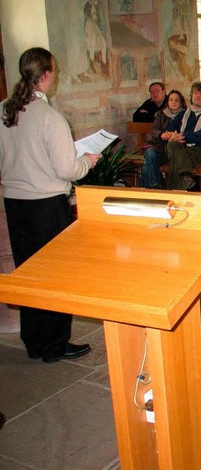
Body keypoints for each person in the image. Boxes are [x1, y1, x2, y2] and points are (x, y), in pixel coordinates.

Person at [0, 47, 101, 362]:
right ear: (46, 76)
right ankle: (55, 345)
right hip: (46, 205)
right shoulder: (50, 117)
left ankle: (34, 342)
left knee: (28, 272)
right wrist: (88, 160)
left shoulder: (3, 110)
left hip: (14, 204)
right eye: (53, 71)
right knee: (57, 276)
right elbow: (66, 170)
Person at [164, 82, 201, 190]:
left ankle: (175, 191)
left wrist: (183, 136)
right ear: (191, 96)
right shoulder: (184, 114)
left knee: (176, 158)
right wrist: (169, 135)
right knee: (172, 146)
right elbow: (171, 130)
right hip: (182, 150)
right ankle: (187, 180)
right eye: (195, 93)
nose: (198, 96)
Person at [140, 89, 186, 189]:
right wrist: (162, 134)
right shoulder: (161, 114)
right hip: (158, 147)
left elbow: (186, 133)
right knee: (150, 152)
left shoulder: (186, 115)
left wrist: (173, 137)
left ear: (181, 102)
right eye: (171, 100)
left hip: (173, 151)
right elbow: (154, 130)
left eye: (177, 100)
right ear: (167, 102)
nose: (173, 102)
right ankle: (155, 184)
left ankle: (150, 190)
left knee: (146, 166)